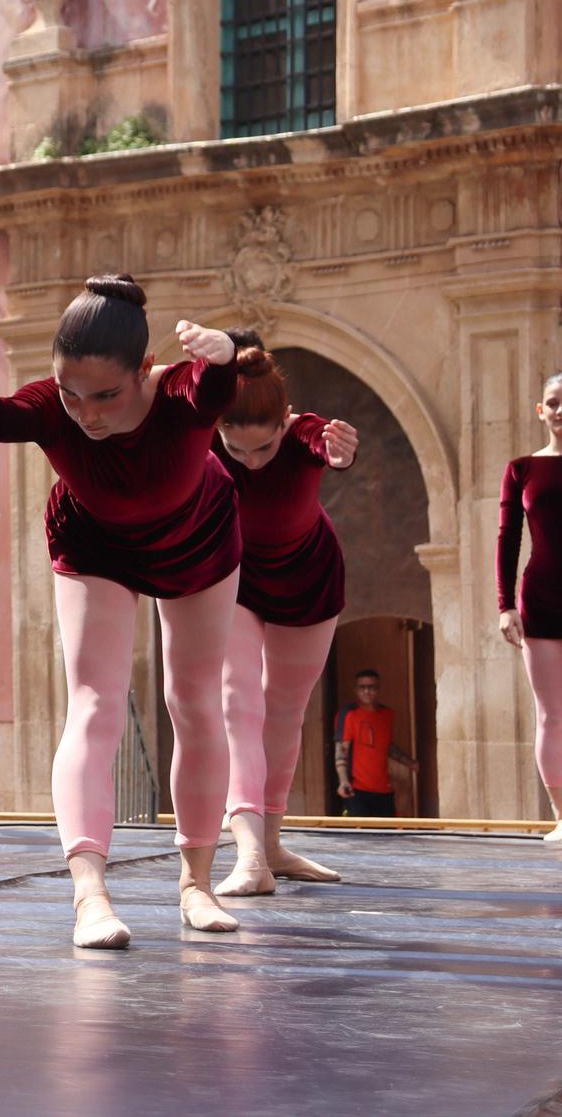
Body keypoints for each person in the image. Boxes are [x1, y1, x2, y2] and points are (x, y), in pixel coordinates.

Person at [0, 275, 244, 948]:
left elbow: (224, 382)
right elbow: (3, 416)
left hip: (198, 534)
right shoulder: (54, 409)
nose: (85, 412)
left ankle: (195, 883)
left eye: (106, 395)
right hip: (94, 540)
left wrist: (227, 350)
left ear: (145, 370)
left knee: (197, 702)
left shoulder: (180, 393)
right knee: (94, 702)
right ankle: (89, 893)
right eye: (70, 392)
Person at [211, 331, 358, 895]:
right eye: (234, 448)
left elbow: (331, 448)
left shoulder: (304, 432)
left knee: (285, 711)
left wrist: (342, 451)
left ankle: (272, 844)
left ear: (285, 423)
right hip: (237, 578)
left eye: (262, 449)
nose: (248, 461)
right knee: (237, 703)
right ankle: (249, 854)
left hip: (310, 581)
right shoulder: (205, 437)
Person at [496, 372, 562, 843]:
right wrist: (504, 605)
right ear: (541, 410)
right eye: (553, 403)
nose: (560, 410)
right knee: (551, 714)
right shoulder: (522, 468)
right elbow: (508, 539)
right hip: (540, 599)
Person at [334, 670, 409, 818]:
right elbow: (342, 749)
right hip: (357, 789)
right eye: (362, 687)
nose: (367, 691)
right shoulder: (349, 714)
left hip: (384, 788)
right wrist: (343, 782)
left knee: (387, 836)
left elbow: (387, 746)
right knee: (361, 837)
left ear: (378, 689)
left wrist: (409, 762)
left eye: (372, 687)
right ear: (356, 690)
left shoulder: (387, 715)